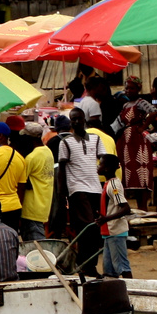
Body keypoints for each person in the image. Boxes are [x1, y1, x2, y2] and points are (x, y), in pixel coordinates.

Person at [55, 110, 105, 278]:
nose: (76, 122)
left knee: (93, 228)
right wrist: (62, 194)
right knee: (87, 227)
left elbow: (102, 159)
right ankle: (86, 265)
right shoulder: (66, 143)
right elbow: (62, 170)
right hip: (77, 189)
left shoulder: (96, 139)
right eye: (73, 119)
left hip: (95, 188)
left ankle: (87, 264)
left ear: (84, 120)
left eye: (78, 119)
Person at [117, 94, 157, 209]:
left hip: (138, 141)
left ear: (137, 89)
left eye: (132, 89)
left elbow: (154, 112)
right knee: (127, 171)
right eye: (127, 88)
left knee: (141, 172)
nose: (129, 91)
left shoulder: (141, 102)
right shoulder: (125, 104)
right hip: (126, 141)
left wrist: (143, 127)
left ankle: (143, 207)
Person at [18, 124, 55, 242]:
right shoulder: (47, 151)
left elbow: (21, 183)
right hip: (43, 206)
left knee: (36, 248)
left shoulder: (31, 158)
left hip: (31, 208)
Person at [99, 155, 131, 278]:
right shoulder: (107, 184)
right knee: (109, 270)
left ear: (106, 168)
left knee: (121, 266)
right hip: (109, 232)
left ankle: (132, 290)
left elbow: (125, 208)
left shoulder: (113, 185)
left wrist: (106, 218)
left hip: (116, 231)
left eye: (100, 164)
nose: (98, 167)